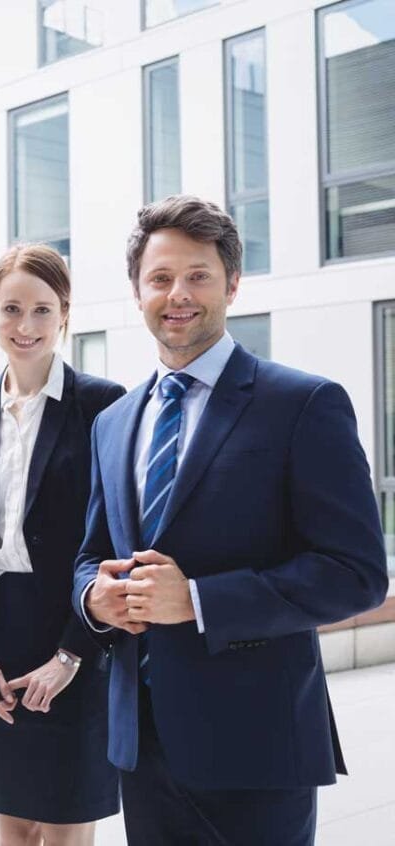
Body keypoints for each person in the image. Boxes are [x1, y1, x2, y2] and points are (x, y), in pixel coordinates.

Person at [72, 195, 389, 845]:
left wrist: (195, 600)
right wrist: (93, 598)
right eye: (160, 278)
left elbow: (357, 576)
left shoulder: (303, 404)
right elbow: (90, 555)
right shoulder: (113, 423)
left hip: (258, 747)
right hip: (144, 748)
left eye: (198, 275)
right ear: (138, 292)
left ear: (233, 284)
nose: (178, 294)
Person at [0, 244, 123, 846]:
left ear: (65, 314)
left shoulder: (104, 407)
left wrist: (73, 654)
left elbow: (114, 543)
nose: (25, 327)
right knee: (12, 829)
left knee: (64, 829)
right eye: (11, 309)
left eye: (42, 311)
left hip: (73, 633)